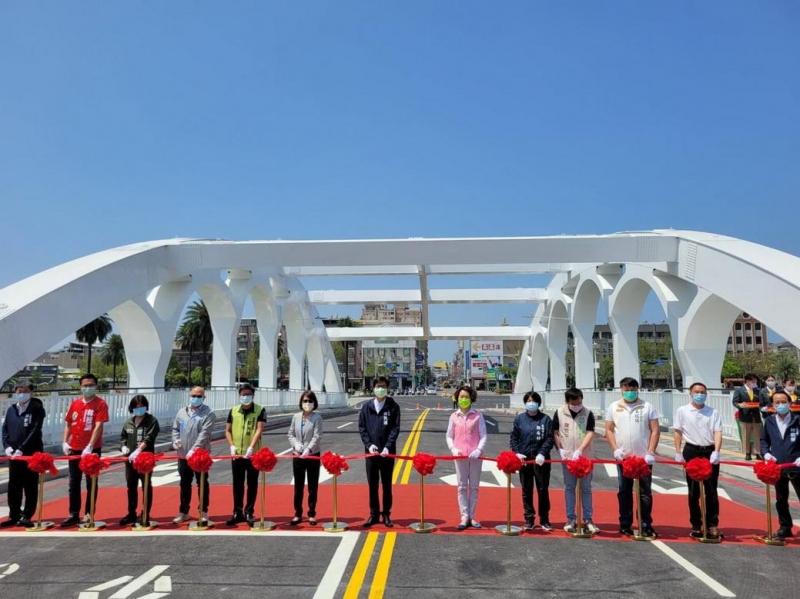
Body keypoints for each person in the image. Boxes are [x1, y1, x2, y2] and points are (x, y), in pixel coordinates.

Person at [605, 377, 660, 538]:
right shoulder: (614, 407)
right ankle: (625, 523)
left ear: (638, 389)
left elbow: (655, 430)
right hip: (623, 457)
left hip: (644, 459)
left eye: (632, 389)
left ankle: (645, 523)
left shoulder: (647, 406)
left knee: (644, 492)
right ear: (621, 389)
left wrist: (651, 452)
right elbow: (608, 429)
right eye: (626, 389)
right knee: (624, 491)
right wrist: (615, 449)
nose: (629, 392)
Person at [673, 382, 723, 540]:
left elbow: (717, 432)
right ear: (690, 393)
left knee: (711, 490)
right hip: (691, 450)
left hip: (709, 450)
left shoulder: (712, 412)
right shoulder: (683, 411)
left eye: (703, 392)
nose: (700, 394)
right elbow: (678, 432)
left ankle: (712, 524)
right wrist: (677, 452)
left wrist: (716, 451)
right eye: (697, 392)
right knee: (694, 491)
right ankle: (696, 524)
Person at [60, 374, 109, 527]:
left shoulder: (100, 404)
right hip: (74, 448)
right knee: (74, 482)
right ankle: (73, 513)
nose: (88, 387)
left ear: (96, 386)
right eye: (85, 385)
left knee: (91, 482)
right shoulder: (74, 404)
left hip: (91, 450)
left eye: (91, 385)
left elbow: (99, 425)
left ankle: (89, 513)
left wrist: (90, 445)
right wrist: (65, 442)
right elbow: (68, 424)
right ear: (80, 386)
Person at [553, 388, 598, 534]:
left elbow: (590, 432)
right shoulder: (559, 412)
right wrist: (560, 449)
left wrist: (580, 450)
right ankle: (571, 518)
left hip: (584, 457)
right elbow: (555, 432)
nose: (577, 404)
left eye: (579, 401)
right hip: (567, 457)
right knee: (569, 487)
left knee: (586, 488)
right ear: (567, 402)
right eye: (574, 402)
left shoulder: (588, 413)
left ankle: (588, 519)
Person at [358, 376, 401, 528]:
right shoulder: (366, 407)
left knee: (387, 485)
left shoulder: (393, 407)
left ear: (387, 388)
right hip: (371, 453)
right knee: (372, 485)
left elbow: (395, 428)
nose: (380, 389)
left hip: (387, 453)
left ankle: (386, 514)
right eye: (378, 386)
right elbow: (362, 428)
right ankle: (373, 514)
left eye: (383, 386)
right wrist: (369, 445)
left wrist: (388, 446)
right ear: (374, 388)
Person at [1, 382, 46, 528]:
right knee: (14, 486)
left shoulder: (37, 409)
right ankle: (14, 515)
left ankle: (27, 515)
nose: (22, 393)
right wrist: (7, 447)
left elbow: (34, 431)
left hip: (31, 454)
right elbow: (5, 429)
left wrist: (22, 448)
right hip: (14, 455)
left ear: (31, 392)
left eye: (25, 391)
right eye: (19, 390)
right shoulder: (11, 409)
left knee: (30, 485)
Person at [172, 386, 216, 524]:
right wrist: (175, 440)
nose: (195, 398)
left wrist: (195, 449)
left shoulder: (208, 414)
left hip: (200, 456)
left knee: (202, 483)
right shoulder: (181, 412)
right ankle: (183, 511)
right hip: (183, 455)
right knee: (184, 483)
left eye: (199, 396)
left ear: (204, 398)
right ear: (189, 395)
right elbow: (175, 428)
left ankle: (203, 511)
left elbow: (205, 433)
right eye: (193, 395)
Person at [510, 391, 554, 531]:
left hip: (541, 460)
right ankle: (529, 519)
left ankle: (545, 519)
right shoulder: (520, 419)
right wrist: (517, 452)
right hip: (525, 461)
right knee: (526, 490)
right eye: (528, 400)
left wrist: (542, 453)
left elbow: (549, 438)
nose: (531, 403)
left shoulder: (546, 419)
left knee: (542, 489)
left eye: (533, 400)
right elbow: (514, 438)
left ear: (538, 403)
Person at [224, 383, 266, 526]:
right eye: (243, 394)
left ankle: (249, 512)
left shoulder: (260, 410)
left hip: (253, 454)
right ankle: (237, 512)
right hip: (237, 454)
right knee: (237, 483)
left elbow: (259, 430)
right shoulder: (234, 410)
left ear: (253, 395)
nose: (246, 397)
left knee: (252, 483)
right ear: (239, 395)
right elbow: (227, 430)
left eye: (248, 394)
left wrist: (251, 447)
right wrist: (231, 446)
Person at [445, 384, 487, 530]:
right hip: (460, 456)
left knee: (474, 487)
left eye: (466, 397)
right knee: (462, 487)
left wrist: (479, 449)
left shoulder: (477, 415)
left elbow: (483, 435)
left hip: (475, 456)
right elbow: (449, 436)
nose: (464, 399)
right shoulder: (453, 416)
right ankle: (464, 516)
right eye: (461, 397)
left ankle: (472, 515)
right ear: (457, 398)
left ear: (471, 399)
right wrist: (453, 449)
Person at [760, 390, 800, 540]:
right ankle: (785, 527)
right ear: (773, 405)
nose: (781, 405)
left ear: (790, 403)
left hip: (797, 466)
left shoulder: (797, 420)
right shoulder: (769, 421)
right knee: (781, 499)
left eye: (784, 401)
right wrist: (766, 454)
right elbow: (764, 441)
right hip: (778, 467)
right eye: (777, 402)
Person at [118, 395, 160, 526]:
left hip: (145, 460)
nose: (139, 409)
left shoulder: (151, 421)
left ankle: (145, 513)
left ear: (146, 406)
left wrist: (139, 450)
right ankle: (131, 512)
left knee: (146, 485)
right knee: (131, 486)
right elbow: (123, 437)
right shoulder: (129, 422)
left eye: (141, 406)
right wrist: (124, 447)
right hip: (130, 460)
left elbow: (149, 437)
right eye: (136, 407)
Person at [287, 390, 323, 525]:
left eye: (310, 401)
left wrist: (308, 449)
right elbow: (290, 434)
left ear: (314, 403)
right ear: (301, 402)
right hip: (297, 456)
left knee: (312, 486)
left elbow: (317, 436)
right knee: (298, 486)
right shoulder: (296, 417)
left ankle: (312, 513)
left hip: (312, 455)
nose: (307, 403)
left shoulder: (317, 418)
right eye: (305, 401)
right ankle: (297, 514)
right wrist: (296, 445)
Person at [732, 373, 762, 460]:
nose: (754, 383)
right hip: (745, 415)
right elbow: (735, 402)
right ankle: (747, 453)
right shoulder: (739, 390)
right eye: (753, 381)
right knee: (746, 435)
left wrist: (759, 405)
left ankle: (757, 453)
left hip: (755, 415)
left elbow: (761, 401)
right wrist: (740, 405)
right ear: (747, 381)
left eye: (755, 381)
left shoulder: (758, 390)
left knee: (757, 435)